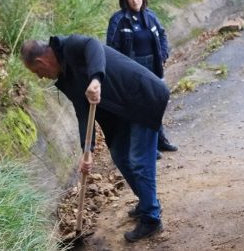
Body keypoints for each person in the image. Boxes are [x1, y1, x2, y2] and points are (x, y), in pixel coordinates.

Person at [20, 35, 168, 242]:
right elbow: (82, 113)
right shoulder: (65, 79)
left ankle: (152, 218)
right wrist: (86, 151)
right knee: (120, 156)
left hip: (142, 97)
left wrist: (96, 79)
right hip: (122, 113)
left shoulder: (70, 46)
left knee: (138, 160)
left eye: (37, 72)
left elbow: (94, 45)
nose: (40, 77)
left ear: (41, 62)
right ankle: (147, 201)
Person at [106, 0, 178, 159]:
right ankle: (148, 147)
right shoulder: (118, 20)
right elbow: (112, 49)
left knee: (157, 102)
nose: (134, 0)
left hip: (153, 67)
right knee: (140, 109)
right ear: (125, 0)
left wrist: (163, 55)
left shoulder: (150, 16)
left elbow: (161, 35)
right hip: (133, 71)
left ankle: (160, 140)